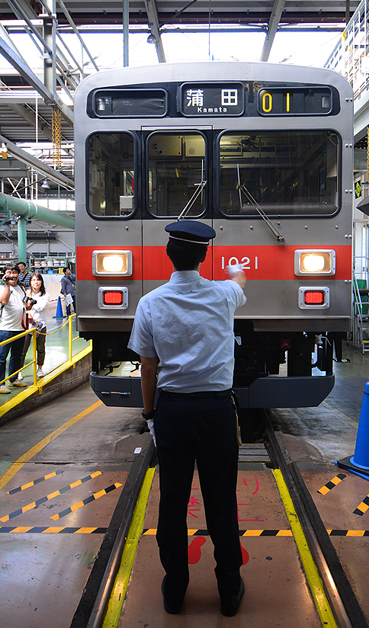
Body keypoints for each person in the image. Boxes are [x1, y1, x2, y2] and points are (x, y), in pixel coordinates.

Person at [128, 220, 247, 617]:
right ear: (203, 256)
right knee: (221, 503)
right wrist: (234, 271)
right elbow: (240, 283)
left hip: (173, 412)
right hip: (216, 411)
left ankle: (174, 591)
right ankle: (229, 591)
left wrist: (150, 415)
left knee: (173, 503)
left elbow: (148, 367)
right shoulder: (225, 294)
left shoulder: (150, 303)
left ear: (168, 255)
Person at [0, 265, 28, 393]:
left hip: (20, 328)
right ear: (5, 275)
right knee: (1, 357)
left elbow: (24, 304)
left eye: (15, 272)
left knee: (17, 356)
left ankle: (14, 378)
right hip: (5, 328)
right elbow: (4, 301)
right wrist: (7, 285)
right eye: (9, 272)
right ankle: (1, 383)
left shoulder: (21, 288)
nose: (13, 275)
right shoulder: (2, 288)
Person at [20, 273, 50, 378]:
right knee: (23, 349)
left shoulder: (45, 295)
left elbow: (40, 307)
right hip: (27, 325)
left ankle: (40, 369)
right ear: (30, 282)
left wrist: (30, 300)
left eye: (38, 280)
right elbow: (22, 307)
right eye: (33, 280)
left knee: (40, 348)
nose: (36, 282)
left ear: (41, 281)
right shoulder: (25, 293)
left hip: (40, 324)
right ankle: (19, 371)